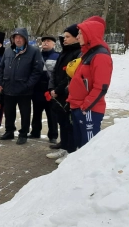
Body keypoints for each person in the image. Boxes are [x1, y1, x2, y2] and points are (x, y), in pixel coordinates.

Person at [66, 17, 112, 151]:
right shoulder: (87, 53)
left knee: (89, 148)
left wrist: (85, 107)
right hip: (78, 106)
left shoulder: (100, 56)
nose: (78, 36)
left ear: (89, 34)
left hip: (88, 109)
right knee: (80, 146)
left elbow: (101, 87)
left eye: (80, 33)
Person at [0, 28, 43, 145]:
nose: (18, 39)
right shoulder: (8, 51)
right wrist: (0, 83)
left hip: (24, 90)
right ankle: (9, 131)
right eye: (15, 37)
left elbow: (37, 71)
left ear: (25, 39)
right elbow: (1, 68)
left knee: (25, 113)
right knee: (9, 112)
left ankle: (23, 134)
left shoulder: (33, 52)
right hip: (8, 88)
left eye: (20, 37)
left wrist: (28, 85)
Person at [46, 24, 81, 164]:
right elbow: (55, 72)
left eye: (67, 37)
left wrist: (58, 90)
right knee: (62, 122)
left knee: (69, 124)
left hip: (67, 94)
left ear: (75, 38)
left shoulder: (78, 53)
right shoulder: (64, 52)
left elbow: (71, 77)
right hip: (57, 94)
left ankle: (70, 151)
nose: (64, 39)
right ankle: (64, 147)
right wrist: (52, 88)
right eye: (64, 37)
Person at [28, 35, 59, 142]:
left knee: (51, 114)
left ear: (53, 44)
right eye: (44, 41)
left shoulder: (57, 56)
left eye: (48, 41)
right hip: (37, 89)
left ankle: (53, 135)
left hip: (50, 89)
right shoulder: (37, 56)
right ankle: (35, 132)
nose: (45, 43)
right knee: (36, 112)